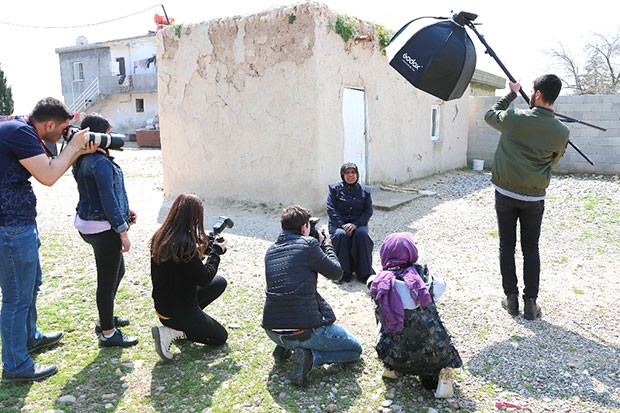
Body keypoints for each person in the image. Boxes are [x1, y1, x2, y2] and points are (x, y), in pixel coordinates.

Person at [0, 97, 97, 382]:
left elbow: (52, 164)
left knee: (32, 284)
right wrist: (74, 147)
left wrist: (74, 149)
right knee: (17, 296)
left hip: (18, 223)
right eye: (64, 129)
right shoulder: (20, 132)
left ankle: (29, 337)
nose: (65, 134)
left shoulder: (22, 130)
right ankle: (15, 364)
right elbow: (50, 175)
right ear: (50, 124)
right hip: (10, 226)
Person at [485, 74, 570, 320]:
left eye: (532, 91)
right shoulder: (562, 131)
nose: (531, 94)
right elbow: (553, 162)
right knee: (531, 248)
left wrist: (512, 93)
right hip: (534, 197)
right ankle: (531, 304)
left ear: (539, 94)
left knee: (507, 245)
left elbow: (490, 115)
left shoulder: (514, 117)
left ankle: (511, 300)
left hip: (505, 193)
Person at [262, 204, 363, 387]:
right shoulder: (309, 245)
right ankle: (311, 357)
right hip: (303, 332)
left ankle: (286, 347)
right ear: (304, 228)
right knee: (355, 350)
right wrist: (326, 244)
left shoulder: (271, 250)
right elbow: (336, 272)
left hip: (272, 331)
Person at [72, 113, 138, 347]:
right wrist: (123, 232)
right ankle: (108, 332)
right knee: (107, 281)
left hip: (89, 225)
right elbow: (108, 200)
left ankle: (106, 317)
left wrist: (125, 211)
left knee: (117, 272)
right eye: (109, 134)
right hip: (103, 228)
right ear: (98, 136)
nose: (113, 139)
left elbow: (98, 193)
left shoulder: (82, 160)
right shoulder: (99, 163)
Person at [368, 232, 462, 398]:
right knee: (430, 327)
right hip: (436, 353)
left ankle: (392, 367)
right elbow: (443, 285)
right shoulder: (427, 280)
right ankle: (433, 376)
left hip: (397, 354)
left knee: (382, 317)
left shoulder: (376, 282)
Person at [150, 193, 228, 361]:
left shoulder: (161, 236)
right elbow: (204, 278)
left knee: (219, 282)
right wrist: (216, 252)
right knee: (220, 337)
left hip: (164, 305)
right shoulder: (185, 245)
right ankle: (173, 331)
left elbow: (186, 266)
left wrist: (206, 247)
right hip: (178, 312)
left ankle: (188, 323)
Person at [326, 162, 375, 283]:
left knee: (361, 234)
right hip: (338, 224)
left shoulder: (365, 191)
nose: (350, 175)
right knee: (340, 235)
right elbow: (331, 209)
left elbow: (368, 211)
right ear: (343, 175)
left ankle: (364, 273)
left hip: (358, 224)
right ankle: (343, 272)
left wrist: (355, 225)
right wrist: (342, 225)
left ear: (357, 174)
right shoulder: (334, 189)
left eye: (353, 172)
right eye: (347, 172)